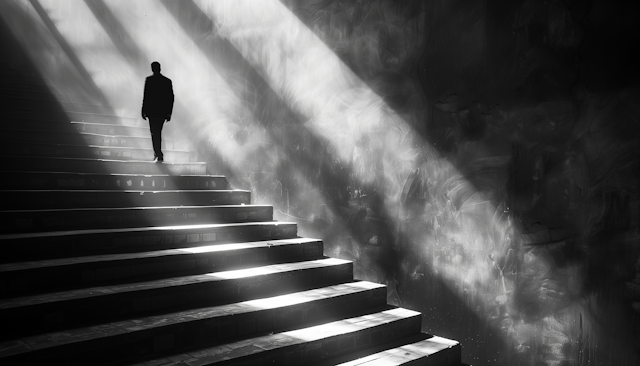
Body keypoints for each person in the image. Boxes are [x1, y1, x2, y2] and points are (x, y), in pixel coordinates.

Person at [142, 61, 174, 163]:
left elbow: (146, 97)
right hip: (161, 113)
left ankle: (158, 153)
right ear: (160, 68)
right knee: (157, 132)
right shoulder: (167, 81)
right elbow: (170, 98)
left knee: (154, 133)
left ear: (152, 69)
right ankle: (158, 153)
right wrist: (169, 113)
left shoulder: (149, 80)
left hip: (152, 112)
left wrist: (143, 110)